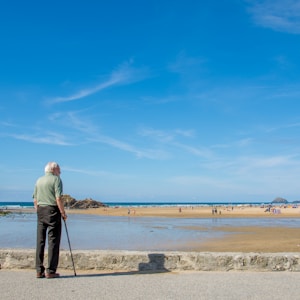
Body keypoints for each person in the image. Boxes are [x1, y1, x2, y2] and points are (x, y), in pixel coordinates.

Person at [33, 162, 67, 279]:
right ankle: (50, 270)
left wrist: (38, 210)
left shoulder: (39, 180)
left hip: (41, 210)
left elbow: (35, 199)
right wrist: (63, 212)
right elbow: (58, 198)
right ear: (53, 169)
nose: (60, 172)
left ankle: (39, 270)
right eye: (59, 170)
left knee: (40, 241)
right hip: (52, 210)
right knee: (53, 240)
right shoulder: (56, 180)